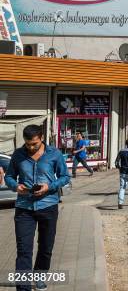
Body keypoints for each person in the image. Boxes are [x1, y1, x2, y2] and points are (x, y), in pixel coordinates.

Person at [4, 124, 70, 291]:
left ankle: (39, 276)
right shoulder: (18, 155)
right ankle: (23, 288)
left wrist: (50, 187)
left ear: (41, 138)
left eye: (34, 143)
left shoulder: (54, 154)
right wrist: (15, 186)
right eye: (27, 144)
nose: (31, 147)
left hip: (48, 206)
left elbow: (64, 177)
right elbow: (9, 176)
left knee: (46, 246)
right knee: (23, 250)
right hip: (24, 208)